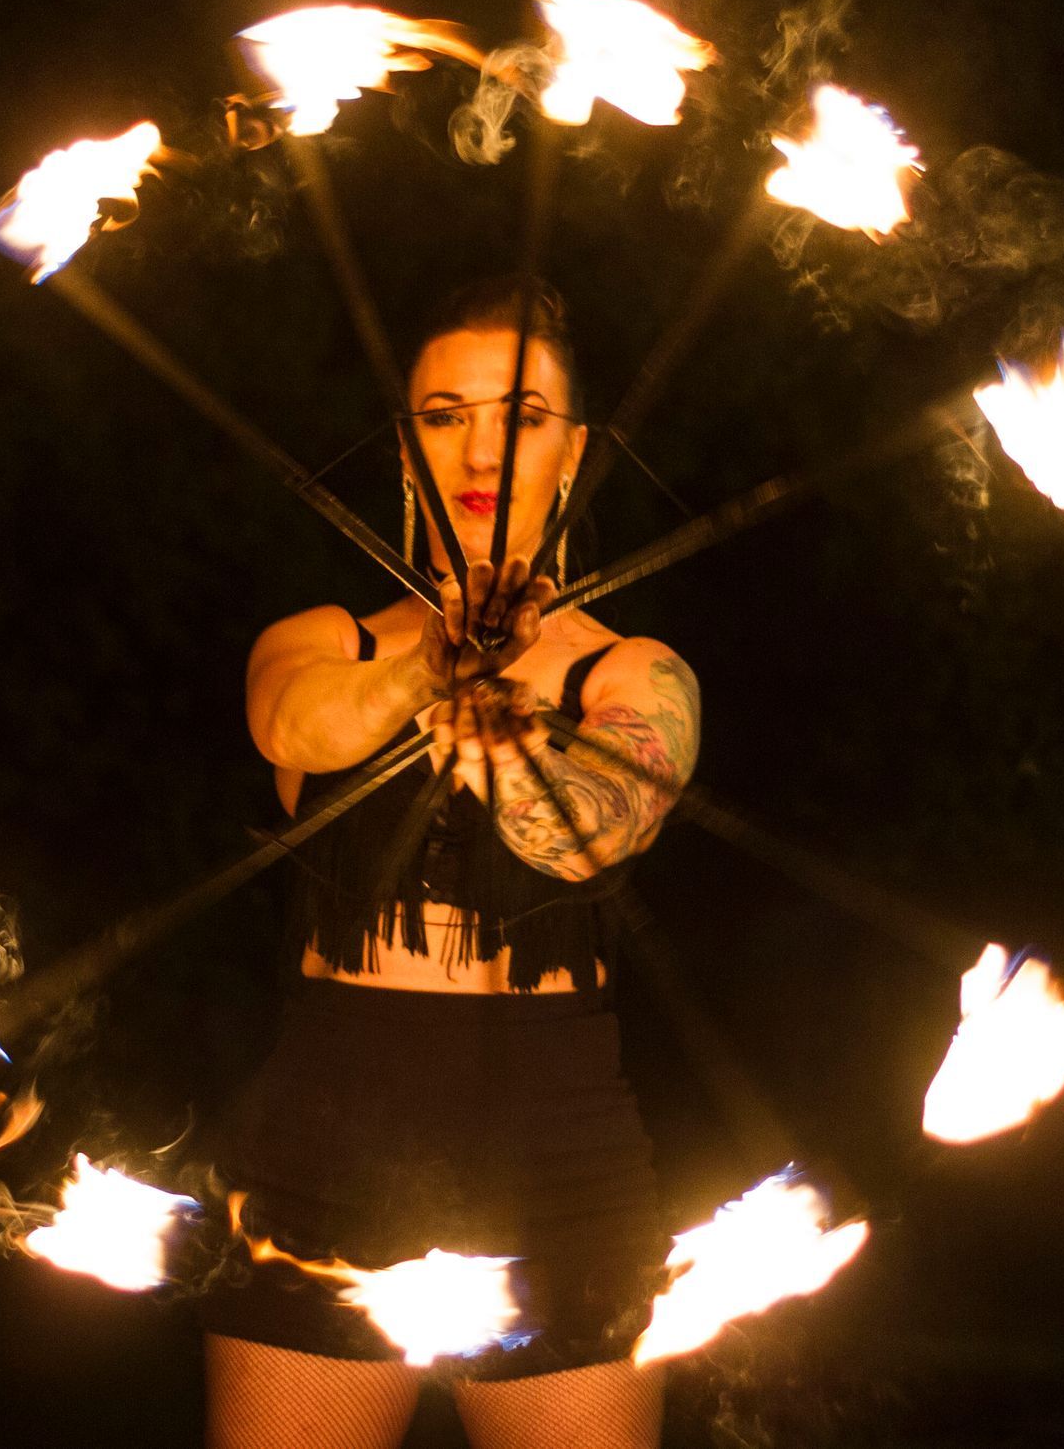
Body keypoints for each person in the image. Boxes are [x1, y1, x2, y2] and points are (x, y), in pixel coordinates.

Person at [201, 278, 700, 1449]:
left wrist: (504, 734)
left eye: (521, 414)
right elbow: (298, 730)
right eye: (442, 412)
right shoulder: (322, 639)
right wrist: (423, 670)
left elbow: (599, 824)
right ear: (404, 441)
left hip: (557, 1158)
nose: (478, 445)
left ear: (574, 451)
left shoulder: (632, 673)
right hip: (321, 1151)